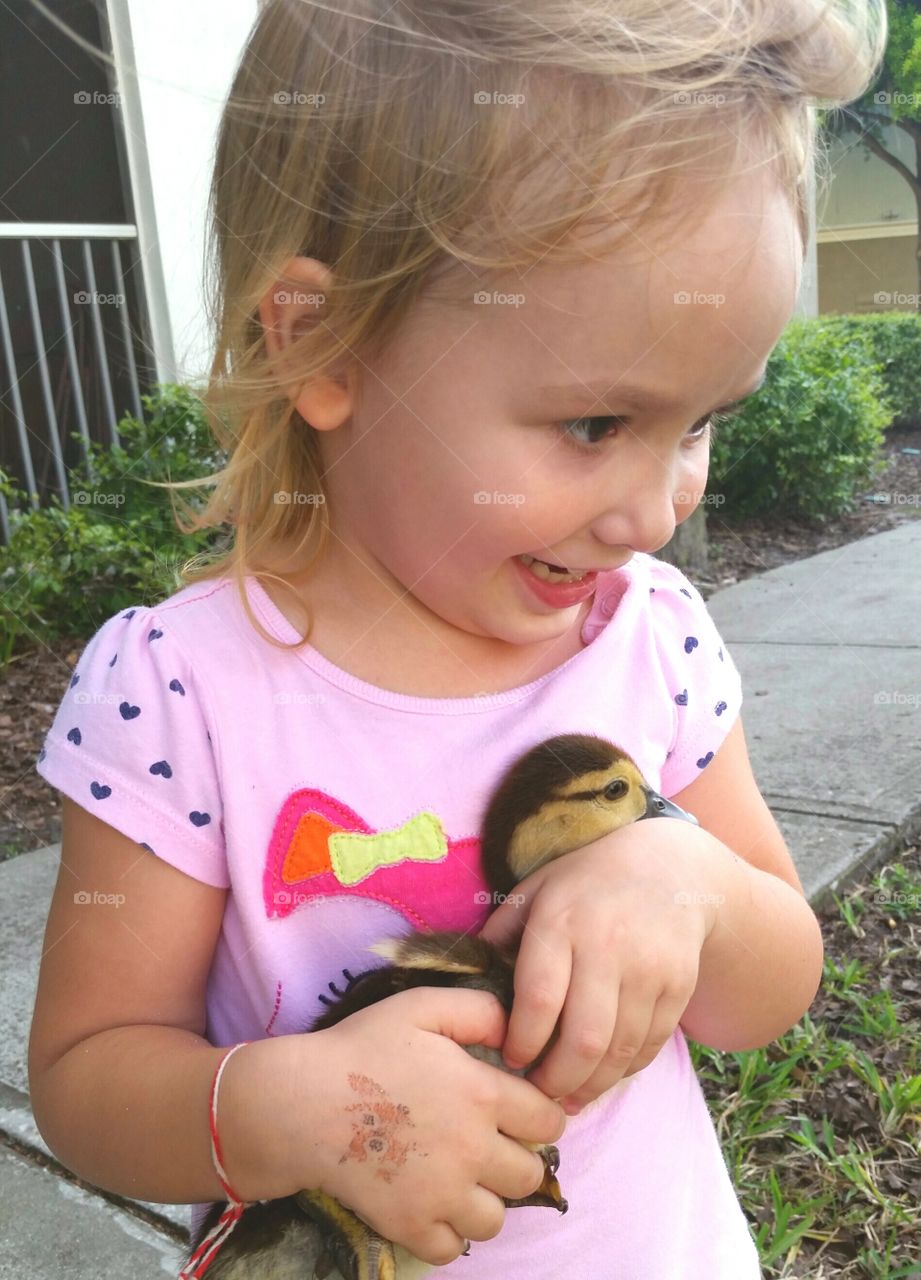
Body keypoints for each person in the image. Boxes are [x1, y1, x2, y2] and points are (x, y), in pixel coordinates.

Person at [28, 1, 886, 1276]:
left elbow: (774, 982)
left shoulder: (653, 637)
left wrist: (690, 882)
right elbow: (88, 1077)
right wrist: (287, 1108)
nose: (655, 510)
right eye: (597, 423)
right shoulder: (185, 694)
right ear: (320, 340)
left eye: (703, 421)